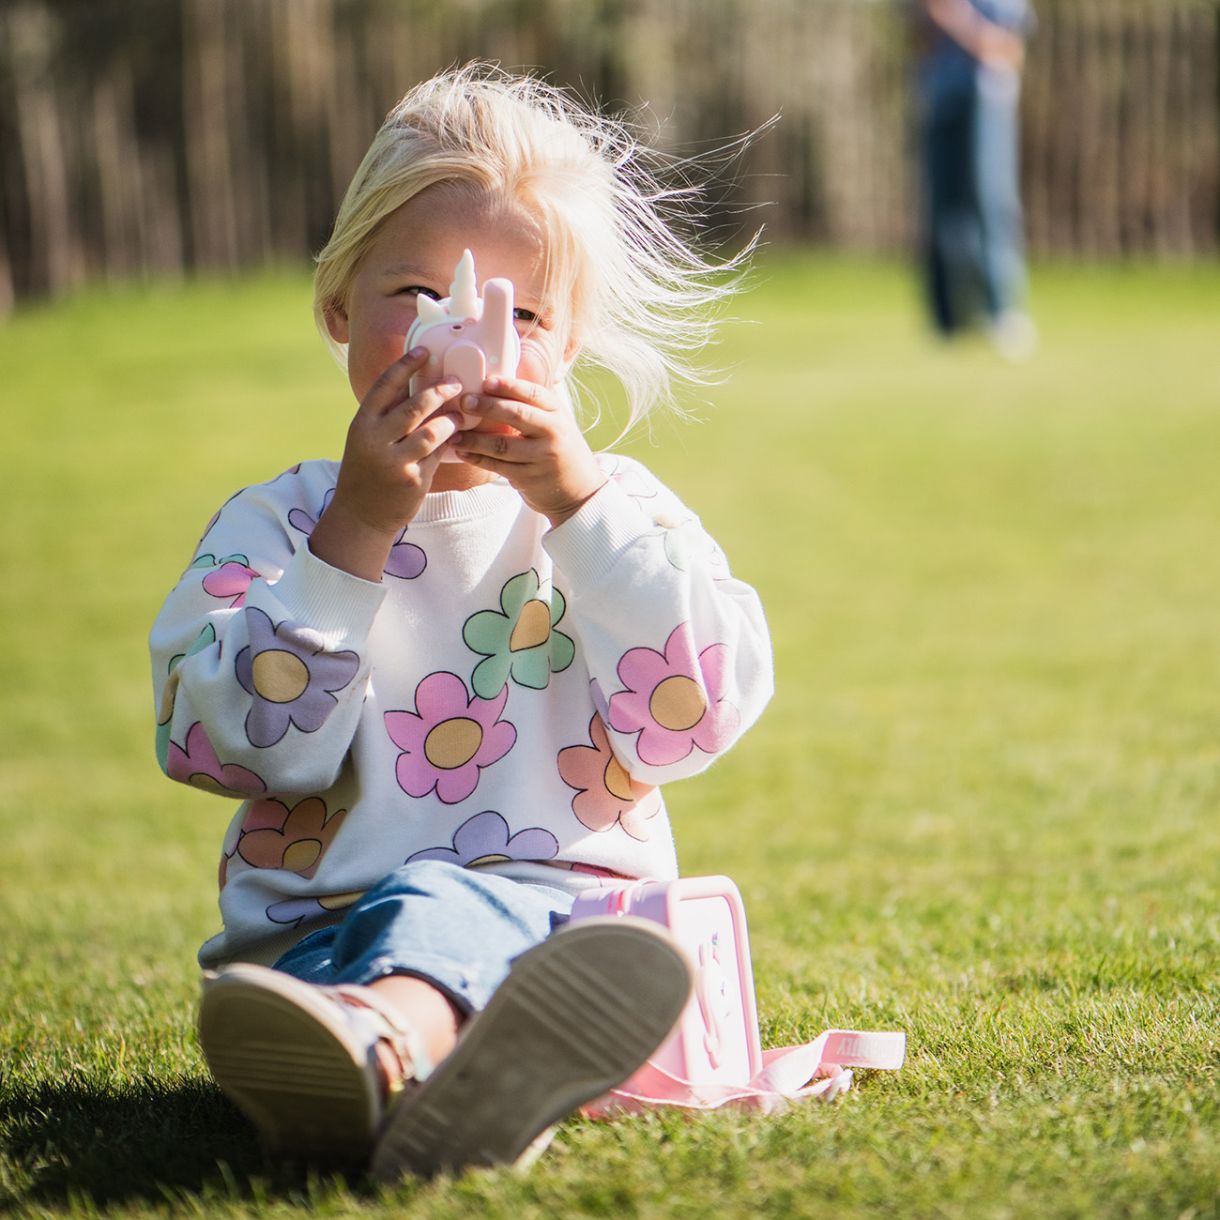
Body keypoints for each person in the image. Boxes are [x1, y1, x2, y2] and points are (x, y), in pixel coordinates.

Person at [149, 64, 773, 1180]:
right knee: (428, 906)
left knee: (514, 926)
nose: (465, 338)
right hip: (317, 944)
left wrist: (578, 506)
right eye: (417, 295)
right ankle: (409, 1051)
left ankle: (403, 1059)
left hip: (571, 941)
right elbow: (235, 746)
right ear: (339, 308)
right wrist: (353, 531)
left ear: (567, 346)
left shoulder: (615, 512)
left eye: (518, 313)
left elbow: (695, 716)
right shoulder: (279, 524)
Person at [912, 0, 1037, 357]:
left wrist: (960, 22)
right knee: (939, 209)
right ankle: (944, 320)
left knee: (991, 201)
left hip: (987, 96)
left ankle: (1002, 312)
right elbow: (919, 32)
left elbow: (1010, 46)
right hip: (938, 94)